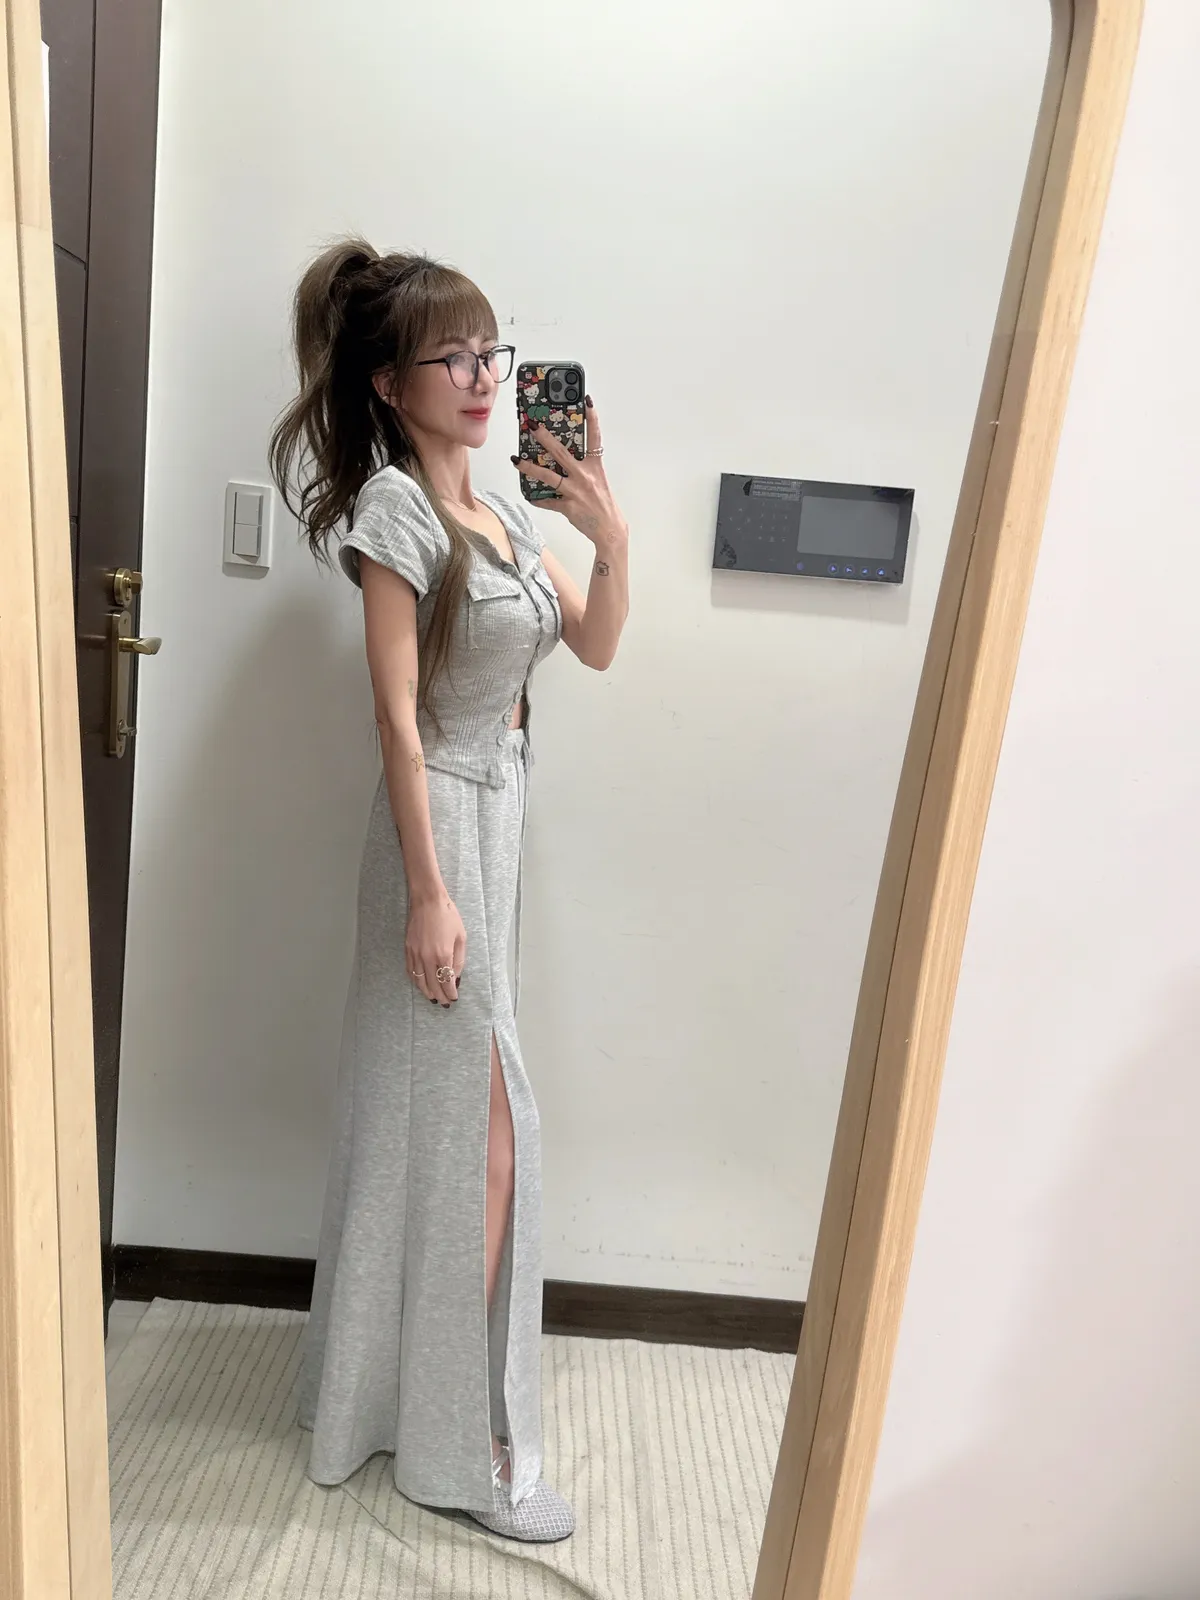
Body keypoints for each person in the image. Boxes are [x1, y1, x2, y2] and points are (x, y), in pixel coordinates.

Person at [268, 237, 629, 1542]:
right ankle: (456, 1441)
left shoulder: (507, 513)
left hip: (500, 819)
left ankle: (398, 1398)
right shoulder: (397, 515)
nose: (484, 379)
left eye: (492, 354)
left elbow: (593, 644)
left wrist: (608, 531)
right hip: (440, 830)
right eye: (454, 359)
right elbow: (395, 717)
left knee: (446, 1123)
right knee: (481, 1132)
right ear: (389, 383)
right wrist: (429, 891)